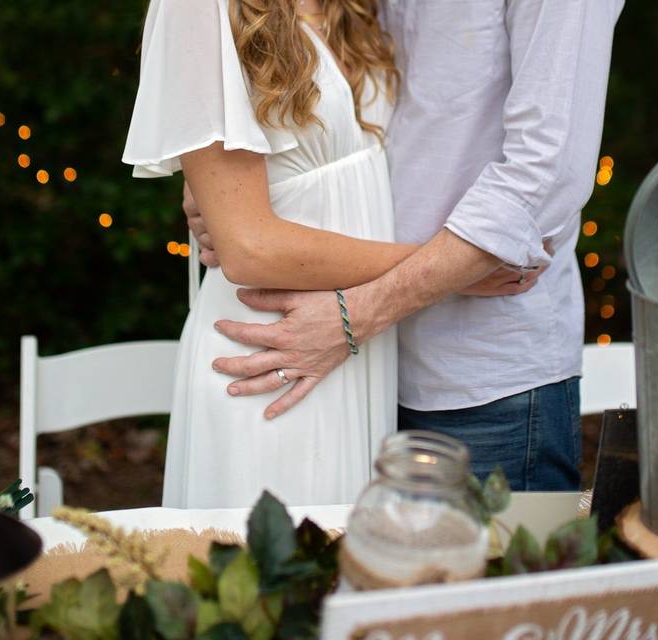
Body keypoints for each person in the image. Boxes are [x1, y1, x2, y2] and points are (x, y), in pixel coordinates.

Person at [190, 0, 625, 491]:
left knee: (494, 567)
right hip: (358, 366)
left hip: (481, 378)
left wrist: (361, 311)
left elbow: (545, 172)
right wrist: (220, 181)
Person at [122, 0, 537, 508]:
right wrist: (447, 269)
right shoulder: (197, 8)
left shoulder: (356, 8)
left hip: (361, 340)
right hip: (273, 347)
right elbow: (248, 248)